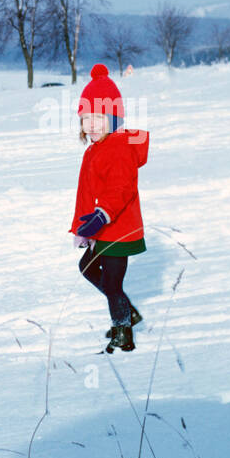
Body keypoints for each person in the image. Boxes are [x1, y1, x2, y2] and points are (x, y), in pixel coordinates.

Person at [70, 63, 150, 352]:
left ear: (113, 119)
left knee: (113, 283)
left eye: (98, 118)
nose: (91, 124)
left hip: (118, 229)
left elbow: (121, 190)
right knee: (88, 267)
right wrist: (85, 225)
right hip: (103, 229)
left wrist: (100, 216)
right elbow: (90, 191)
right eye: (86, 118)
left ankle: (123, 332)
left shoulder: (117, 148)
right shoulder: (97, 148)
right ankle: (127, 311)